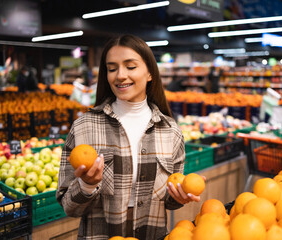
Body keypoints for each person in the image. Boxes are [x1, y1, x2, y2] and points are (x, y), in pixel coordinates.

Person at [56, 34, 203, 240]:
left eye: (130, 67)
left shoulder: (170, 130)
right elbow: (68, 207)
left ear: (150, 73)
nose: (120, 75)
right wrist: (87, 185)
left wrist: (179, 197)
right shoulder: (83, 127)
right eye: (112, 68)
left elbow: (169, 200)